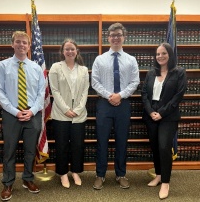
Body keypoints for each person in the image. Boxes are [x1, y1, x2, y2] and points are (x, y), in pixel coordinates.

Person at [0, 31, 45, 201]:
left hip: (33, 114)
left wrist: (32, 111)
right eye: (18, 42)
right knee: (9, 150)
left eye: (24, 42)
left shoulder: (36, 68)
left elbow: (40, 93)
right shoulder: (3, 66)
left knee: (30, 151)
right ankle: (8, 183)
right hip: (11, 114)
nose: (21, 45)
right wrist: (15, 111)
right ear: (12, 44)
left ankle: (27, 179)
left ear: (29, 46)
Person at [91, 23, 140, 190]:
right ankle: (100, 175)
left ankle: (121, 174)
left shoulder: (131, 60)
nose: (116, 38)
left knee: (122, 141)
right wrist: (109, 96)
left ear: (123, 37)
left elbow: (135, 82)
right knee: (102, 141)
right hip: (104, 104)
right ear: (108, 37)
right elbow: (95, 82)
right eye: (113, 35)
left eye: (119, 34)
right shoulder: (100, 59)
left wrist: (121, 95)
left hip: (123, 104)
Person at [141, 43, 187, 199]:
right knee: (155, 147)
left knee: (164, 147)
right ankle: (159, 175)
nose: (160, 56)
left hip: (168, 117)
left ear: (170, 55)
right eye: (158, 54)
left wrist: (161, 113)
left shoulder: (179, 72)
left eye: (163, 53)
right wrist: (150, 111)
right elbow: (144, 95)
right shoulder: (151, 73)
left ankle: (166, 183)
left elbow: (178, 96)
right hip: (151, 116)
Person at [48, 38, 89, 188]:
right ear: (62, 52)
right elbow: (55, 90)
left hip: (79, 114)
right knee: (62, 145)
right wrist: (66, 109)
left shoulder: (83, 69)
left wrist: (78, 109)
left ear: (77, 51)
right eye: (67, 49)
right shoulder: (55, 67)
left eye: (72, 49)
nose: (70, 51)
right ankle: (63, 173)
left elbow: (85, 91)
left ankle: (76, 172)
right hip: (60, 113)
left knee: (78, 145)